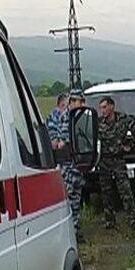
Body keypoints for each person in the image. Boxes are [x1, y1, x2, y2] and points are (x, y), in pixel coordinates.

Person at [98, 96, 135, 229]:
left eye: (105, 107)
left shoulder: (124, 120)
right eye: (101, 108)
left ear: (112, 106)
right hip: (104, 160)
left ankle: (132, 220)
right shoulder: (99, 122)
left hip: (118, 159)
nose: (103, 111)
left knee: (125, 190)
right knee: (106, 192)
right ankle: (110, 221)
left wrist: (130, 147)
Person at [47, 90, 86, 241]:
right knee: (69, 200)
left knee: (76, 200)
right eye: (79, 101)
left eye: (82, 101)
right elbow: (63, 142)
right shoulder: (66, 117)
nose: (81, 104)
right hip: (68, 166)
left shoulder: (80, 117)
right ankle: (68, 233)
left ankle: (75, 230)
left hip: (77, 166)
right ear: (72, 102)